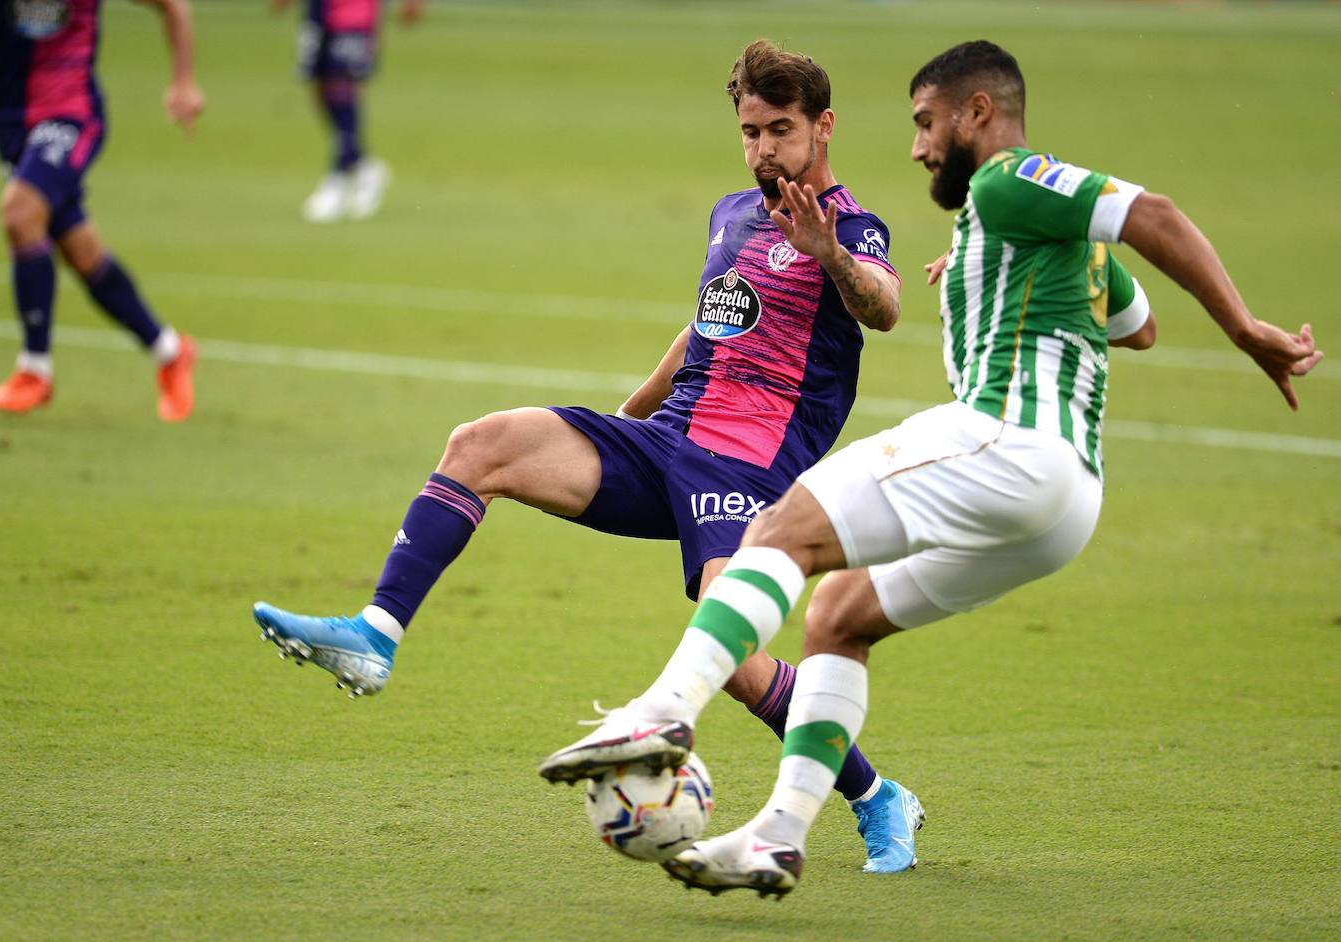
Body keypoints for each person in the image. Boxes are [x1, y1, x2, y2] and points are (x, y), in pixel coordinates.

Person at [539, 39, 1323, 898]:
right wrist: (997, 264)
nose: (916, 147)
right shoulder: (1018, 229)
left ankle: (660, 713)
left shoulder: (1005, 179)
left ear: (976, 113)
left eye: (925, 124)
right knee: (837, 615)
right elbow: (1137, 328)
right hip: (1066, 510)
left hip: (1006, 443)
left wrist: (1247, 328)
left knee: (779, 531)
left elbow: (1157, 214)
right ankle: (779, 837)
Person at [253, 39, 926, 872]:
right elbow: (706, 329)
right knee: (482, 444)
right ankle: (375, 636)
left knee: (744, 665)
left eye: (780, 131)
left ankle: (876, 796)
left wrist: (826, 251)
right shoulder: (732, 213)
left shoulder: (850, 225)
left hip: (749, 473)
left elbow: (885, 305)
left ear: (824, 128)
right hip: (667, 443)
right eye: (750, 131)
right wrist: (625, 421)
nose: (762, 151)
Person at [0, 0, 203, 420]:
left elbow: (174, 7)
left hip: (70, 116)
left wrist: (183, 83)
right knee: (82, 253)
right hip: (12, 128)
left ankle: (34, 369)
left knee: (19, 214)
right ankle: (170, 350)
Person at [272, 0, 426, 222]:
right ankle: (363, 165)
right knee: (321, 90)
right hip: (318, 11)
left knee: (343, 86)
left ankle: (337, 179)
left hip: (354, 13)